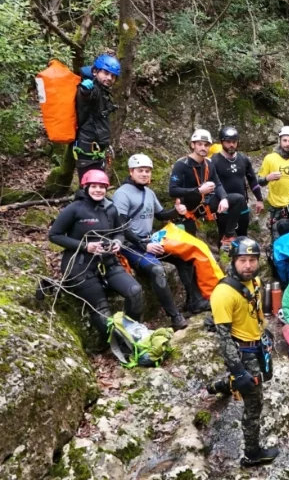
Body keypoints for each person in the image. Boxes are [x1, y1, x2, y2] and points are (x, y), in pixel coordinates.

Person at [209, 236, 280, 467]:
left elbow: (256, 311)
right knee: (254, 403)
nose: (248, 265)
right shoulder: (223, 294)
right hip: (241, 351)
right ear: (233, 260)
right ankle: (252, 454)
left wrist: (264, 331)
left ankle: (222, 386)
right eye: (243, 260)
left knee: (265, 375)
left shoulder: (255, 282)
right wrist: (239, 371)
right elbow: (223, 338)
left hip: (257, 342)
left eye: (252, 260)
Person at [48, 170, 143, 336]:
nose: (98, 190)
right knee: (101, 309)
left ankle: (131, 333)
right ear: (85, 187)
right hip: (79, 266)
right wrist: (85, 246)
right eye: (94, 186)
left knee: (135, 291)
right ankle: (118, 345)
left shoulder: (110, 208)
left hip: (107, 262)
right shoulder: (74, 209)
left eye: (102, 187)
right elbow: (54, 235)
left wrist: (117, 242)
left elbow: (119, 231)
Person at [112, 154, 192, 330]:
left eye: (147, 171)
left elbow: (161, 215)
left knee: (185, 256)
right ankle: (175, 316)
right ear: (131, 172)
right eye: (140, 170)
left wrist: (176, 211)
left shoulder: (149, 192)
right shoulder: (122, 194)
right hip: (131, 245)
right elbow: (121, 226)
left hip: (149, 241)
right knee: (157, 270)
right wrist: (143, 245)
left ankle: (193, 301)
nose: (144, 174)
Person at [169, 129, 247, 254]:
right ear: (193, 145)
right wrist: (198, 190)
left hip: (205, 205)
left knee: (238, 199)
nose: (203, 147)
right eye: (199, 144)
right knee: (191, 250)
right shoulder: (181, 164)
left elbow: (218, 183)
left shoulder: (209, 164)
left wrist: (224, 198)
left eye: (206, 145)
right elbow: (173, 190)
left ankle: (227, 237)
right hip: (187, 210)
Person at [211, 126, 265, 245]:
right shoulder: (214, 160)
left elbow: (252, 180)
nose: (231, 145)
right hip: (224, 206)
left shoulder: (243, 158)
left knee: (243, 237)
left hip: (242, 206)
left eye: (234, 142)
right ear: (221, 142)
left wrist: (259, 199)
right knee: (224, 238)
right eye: (228, 142)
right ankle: (224, 260)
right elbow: (212, 184)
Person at [74, 54, 120, 180]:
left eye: (113, 76)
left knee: (95, 186)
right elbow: (86, 97)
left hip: (97, 150)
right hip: (87, 149)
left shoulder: (103, 91)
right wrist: (85, 90)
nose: (109, 78)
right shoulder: (93, 89)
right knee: (89, 186)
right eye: (105, 73)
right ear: (95, 71)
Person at [257, 126, 289, 236]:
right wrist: (267, 178)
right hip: (276, 205)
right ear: (279, 140)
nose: (287, 144)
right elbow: (259, 181)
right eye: (284, 140)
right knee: (276, 235)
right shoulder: (269, 159)